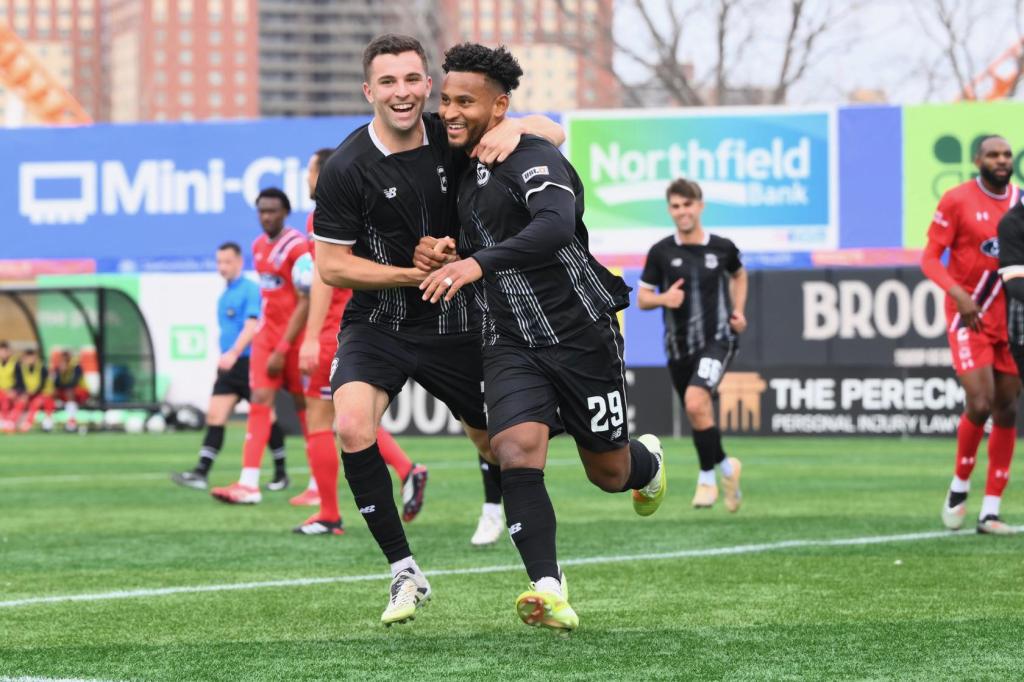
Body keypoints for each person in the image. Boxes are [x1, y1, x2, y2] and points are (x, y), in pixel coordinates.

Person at [313, 34, 564, 626]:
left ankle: (547, 566)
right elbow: (331, 265)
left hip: (460, 322)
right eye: (388, 82)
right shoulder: (347, 167)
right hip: (380, 322)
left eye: (411, 80)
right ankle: (404, 569)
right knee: (350, 425)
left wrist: (517, 129)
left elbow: (553, 131)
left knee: (501, 447)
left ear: (427, 84)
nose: (402, 93)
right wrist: (412, 270)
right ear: (369, 91)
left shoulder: (455, 131)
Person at [419, 43, 667, 634]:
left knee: (607, 473)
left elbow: (555, 228)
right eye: (444, 99)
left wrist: (478, 264)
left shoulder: (531, 155)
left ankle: (648, 462)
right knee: (514, 450)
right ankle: (548, 587)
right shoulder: (450, 151)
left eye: (464, 102)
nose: (449, 111)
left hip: (581, 333)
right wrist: (438, 249)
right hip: (507, 336)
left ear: (499, 105)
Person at [293, 147, 428, 536]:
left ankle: (329, 513)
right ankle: (407, 469)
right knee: (350, 420)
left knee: (322, 419)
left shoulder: (326, 213)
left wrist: (310, 338)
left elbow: (323, 276)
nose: (306, 177)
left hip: (337, 327)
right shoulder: (359, 207)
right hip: (355, 325)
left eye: (309, 169)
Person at [922, 134, 1020, 535]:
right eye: (993, 154)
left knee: (1008, 409)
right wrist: (958, 293)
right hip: (970, 315)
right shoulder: (957, 199)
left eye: (1007, 154)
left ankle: (991, 511)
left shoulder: (1020, 203)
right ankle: (960, 486)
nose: (1001, 160)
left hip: (1011, 317)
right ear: (978, 159)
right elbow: (929, 257)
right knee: (979, 401)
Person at [637, 179, 747, 511]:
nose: (682, 212)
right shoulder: (661, 251)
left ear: (700, 206)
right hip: (678, 347)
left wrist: (739, 311)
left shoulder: (722, 248)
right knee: (697, 411)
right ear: (670, 210)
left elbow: (739, 275)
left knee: (696, 403)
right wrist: (663, 298)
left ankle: (707, 479)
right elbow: (642, 299)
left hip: (717, 340)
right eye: (675, 206)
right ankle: (728, 467)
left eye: (688, 205)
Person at [211, 188, 311, 505]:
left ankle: (317, 485)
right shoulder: (257, 247)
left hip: (295, 339)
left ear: (285, 212)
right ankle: (249, 482)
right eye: (261, 211)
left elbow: (306, 299)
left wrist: (285, 346)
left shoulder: (298, 248)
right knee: (259, 399)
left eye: (272, 211)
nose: (266, 216)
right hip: (267, 337)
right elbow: (271, 298)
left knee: (306, 408)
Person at [171, 242, 290, 491]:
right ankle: (201, 472)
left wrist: (235, 352)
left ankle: (281, 473)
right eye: (219, 262)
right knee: (215, 415)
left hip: (248, 361)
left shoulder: (250, 289)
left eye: (227, 262)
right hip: (229, 365)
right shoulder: (224, 295)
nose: (222, 267)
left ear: (239, 262)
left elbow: (252, 325)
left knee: (267, 417)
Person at [7, 347, 53, 433]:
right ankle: (11, 423)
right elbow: (19, 383)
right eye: (28, 358)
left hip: (41, 394)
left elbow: (42, 384)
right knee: (20, 401)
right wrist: (23, 393)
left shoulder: (42, 368)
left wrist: (31, 393)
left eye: (32, 357)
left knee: (36, 403)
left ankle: (27, 424)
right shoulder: (20, 368)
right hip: (27, 394)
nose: (30, 360)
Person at [51, 349, 90, 432]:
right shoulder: (58, 369)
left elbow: (73, 383)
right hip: (66, 393)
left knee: (69, 392)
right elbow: (56, 384)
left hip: (81, 392)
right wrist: (61, 373)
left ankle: (71, 421)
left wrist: (65, 373)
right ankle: (49, 420)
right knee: (53, 393)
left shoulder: (76, 368)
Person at [0, 341, 17, 429]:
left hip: (10, 391)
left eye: (5, 351)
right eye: (1, 351)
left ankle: (6, 421)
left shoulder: (15, 363)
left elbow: (19, 380)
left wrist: (14, 390)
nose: (3, 354)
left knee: (6, 400)